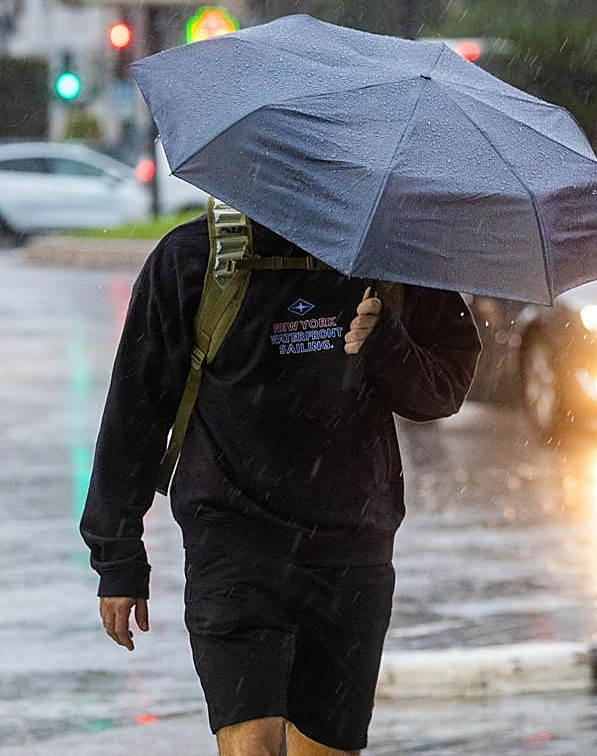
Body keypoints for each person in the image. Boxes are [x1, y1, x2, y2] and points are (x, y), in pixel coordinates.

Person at [80, 214, 481, 756]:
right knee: (251, 744)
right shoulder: (194, 257)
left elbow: (441, 393)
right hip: (232, 540)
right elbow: (136, 409)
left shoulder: (392, 256)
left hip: (351, 547)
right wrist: (118, 556)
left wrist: (385, 340)